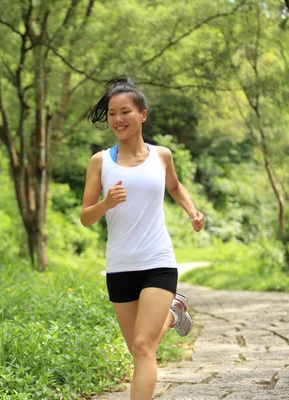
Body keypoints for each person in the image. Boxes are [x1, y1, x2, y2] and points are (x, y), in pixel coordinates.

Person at [80, 76, 205, 400]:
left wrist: (193, 211)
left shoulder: (161, 156)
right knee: (138, 350)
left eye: (126, 112)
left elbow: (175, 187)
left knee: (142, 345)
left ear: (143, 115)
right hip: (120, 265)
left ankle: (172, 308)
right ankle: (174, 312)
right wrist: (106, 203)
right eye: (112, 113)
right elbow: (85, 217)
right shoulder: (100, 162)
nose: (118, 119)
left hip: (157, 260)